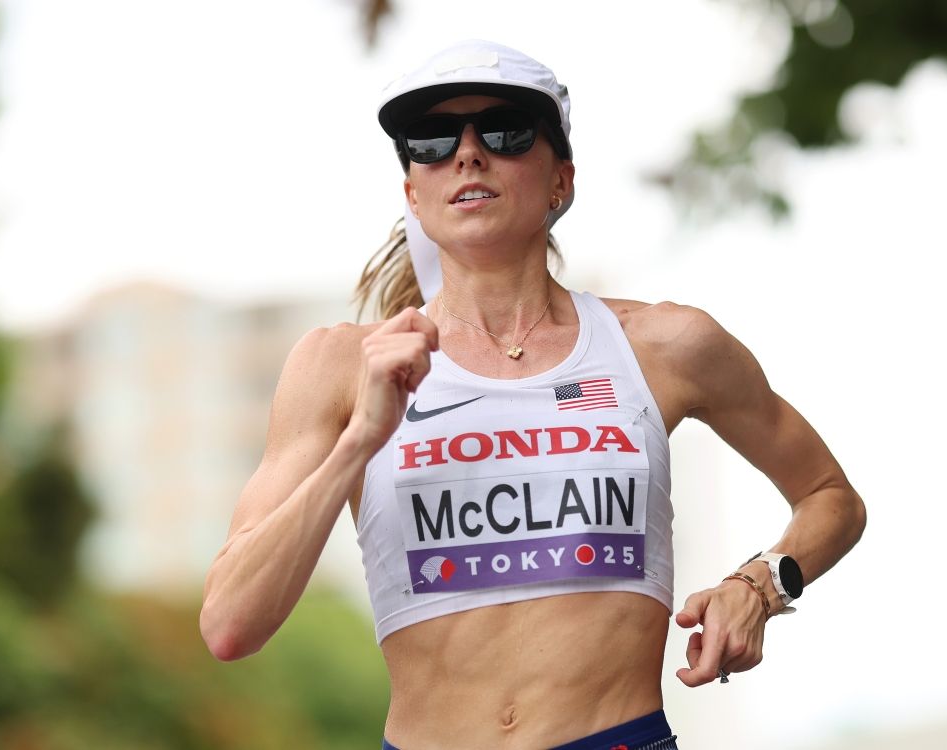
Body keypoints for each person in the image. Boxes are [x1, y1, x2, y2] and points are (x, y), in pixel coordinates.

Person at [199, 40, 866, 750]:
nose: (467, 154)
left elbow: (831, 497)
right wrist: (359, 440)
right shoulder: (340, 366)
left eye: (505, 130)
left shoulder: (667, 346)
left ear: (561, 180)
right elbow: (229, 624)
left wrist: (762, 585)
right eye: (430, 141)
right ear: (413, 195)